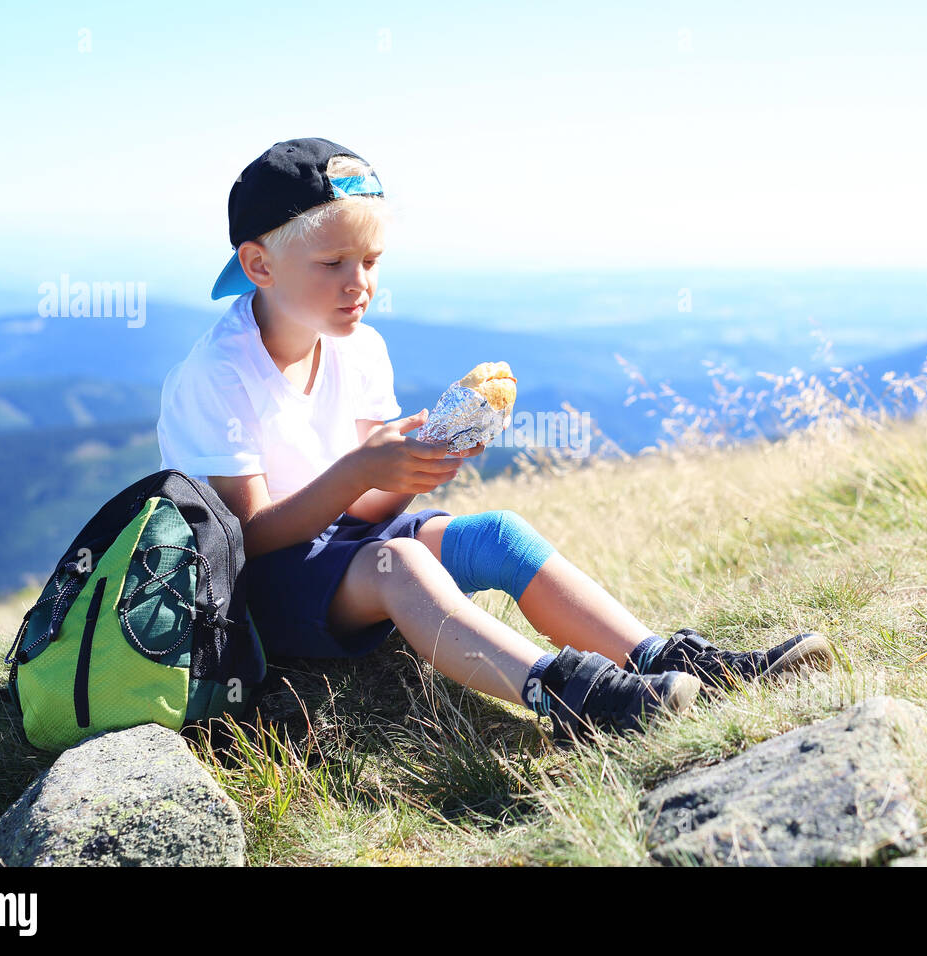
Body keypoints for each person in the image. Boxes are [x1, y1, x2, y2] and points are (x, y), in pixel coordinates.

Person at [157, 137, 833, 744]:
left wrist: (408, 476)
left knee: (499, 534)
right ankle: (572, 697)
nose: (358, 282)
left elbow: (365, 516)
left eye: (370, 260)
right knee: (404, 567)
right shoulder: (217, 374)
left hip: (337, 555)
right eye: (333, 261)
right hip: (250, 593)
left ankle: (673, 661)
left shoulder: (360, 349)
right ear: (260, 264)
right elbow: (250, 535)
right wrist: (363, 466)